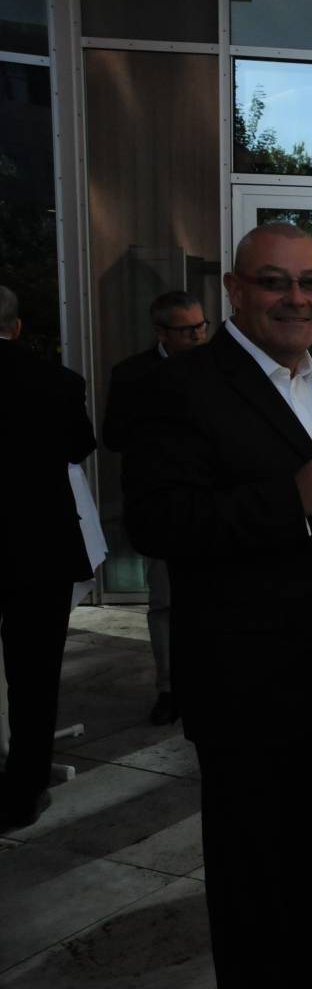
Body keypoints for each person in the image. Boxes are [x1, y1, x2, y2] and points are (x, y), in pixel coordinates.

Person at [125, 223, 312, 989]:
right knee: (252, 860)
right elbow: (156, 521)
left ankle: (299, 962)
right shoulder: (179, 386)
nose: (297, 298)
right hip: (249, 671)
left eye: (311, 282)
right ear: (236, 291)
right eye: (275, 282)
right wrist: (288, 499)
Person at [0, 286, 96, 833]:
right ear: (15, 327)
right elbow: (79, 445)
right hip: (39, 545)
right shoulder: (57, 381)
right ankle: (23, 790)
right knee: (34, 674)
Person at [101, 290, 211, 726]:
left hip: (215, 500)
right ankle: (168, 687)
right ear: (161, 332)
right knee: (165, 600)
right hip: (164, 502)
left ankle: (211, 682)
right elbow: (114, 436)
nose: (199, 336)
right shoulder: (132, 374)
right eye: (188, 330)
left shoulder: (220, 367)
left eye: (203, 326)